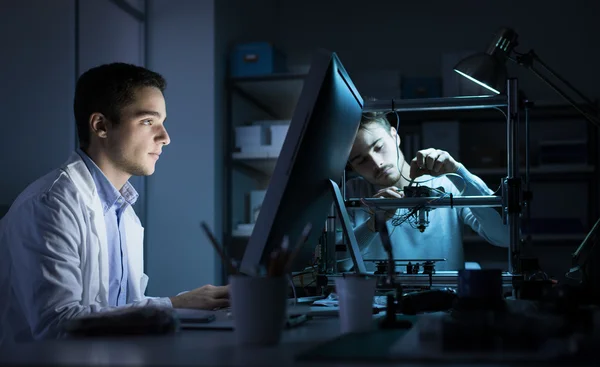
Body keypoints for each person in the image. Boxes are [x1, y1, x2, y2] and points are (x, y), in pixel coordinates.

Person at [0, 63, 229, 344]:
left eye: (163, 122)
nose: (165, 138)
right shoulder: (51, 204)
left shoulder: (123, 211)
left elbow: (118, 310)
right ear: (101, 126)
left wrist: (182, 304)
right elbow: (58, 325)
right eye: (148, 121)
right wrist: (172, 306)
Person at [338, 112, 509, 272]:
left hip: (443, 299)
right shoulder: (352, 193)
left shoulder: (446, 184)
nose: (377, 163)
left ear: (394, 135)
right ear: (351, 166)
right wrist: (372, 225)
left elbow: (504, 236)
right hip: (381, 301)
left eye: (378, 147)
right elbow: (338, 263)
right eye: (361, 160)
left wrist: (458, 172)